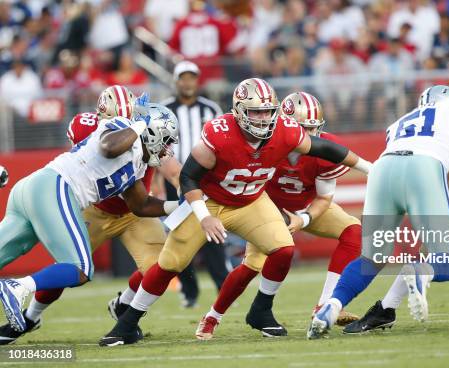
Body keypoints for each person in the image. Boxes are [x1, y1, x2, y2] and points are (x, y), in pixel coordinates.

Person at [99, 77, 372, 346]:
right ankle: (127, 323)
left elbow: (325, 148)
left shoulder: (285, 130)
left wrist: (369, 168)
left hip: (250, 200)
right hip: (209, 200)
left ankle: (261, 311)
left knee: (283, 248)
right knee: (170, 264)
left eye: (268, 110)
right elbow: (188, 179)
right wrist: (204, 216)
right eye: (256, 111)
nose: (264, 118)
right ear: (240, 111)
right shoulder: (220, 133)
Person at [307, 85, 449, 339]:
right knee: (448, 264)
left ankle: (332, 304)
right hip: (423, 167)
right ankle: (419, 271)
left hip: (383, 169)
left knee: (371, 258)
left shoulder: (400, 122)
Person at [0, 101, 180, 334]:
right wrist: (137, 127)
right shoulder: (121, 127)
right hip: (55, 187)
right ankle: (18, 288)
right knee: (81, 268)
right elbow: (108, 146)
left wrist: (180, 205)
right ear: (152, 132)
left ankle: (20, 293)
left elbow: (140, 205)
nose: (167, 149)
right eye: (165, 140)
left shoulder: (138, 164)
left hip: (34, 189)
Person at [195, 92, 363, 340]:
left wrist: (303, 219)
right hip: (268, 209)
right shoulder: (269, 142)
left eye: (314, 129)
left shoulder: (323, 149)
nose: (309, 136)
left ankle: (325, 305)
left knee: (354, 232)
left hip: (308, 207)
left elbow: (324, 198)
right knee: (251, 266)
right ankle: (212, 316)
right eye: (303, 129)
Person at [163, 60, 227, 308]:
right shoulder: (165, 110)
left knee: (214, 237)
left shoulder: (211, 109)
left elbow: (223, 143)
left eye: (192, 77)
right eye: (183, 78)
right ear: (177, 81)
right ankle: (189, 292)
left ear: (197, 81)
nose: (187, 82)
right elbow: (158, 150)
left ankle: (224, 288)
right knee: (180, 236)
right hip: (174, 180)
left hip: (206, 179)